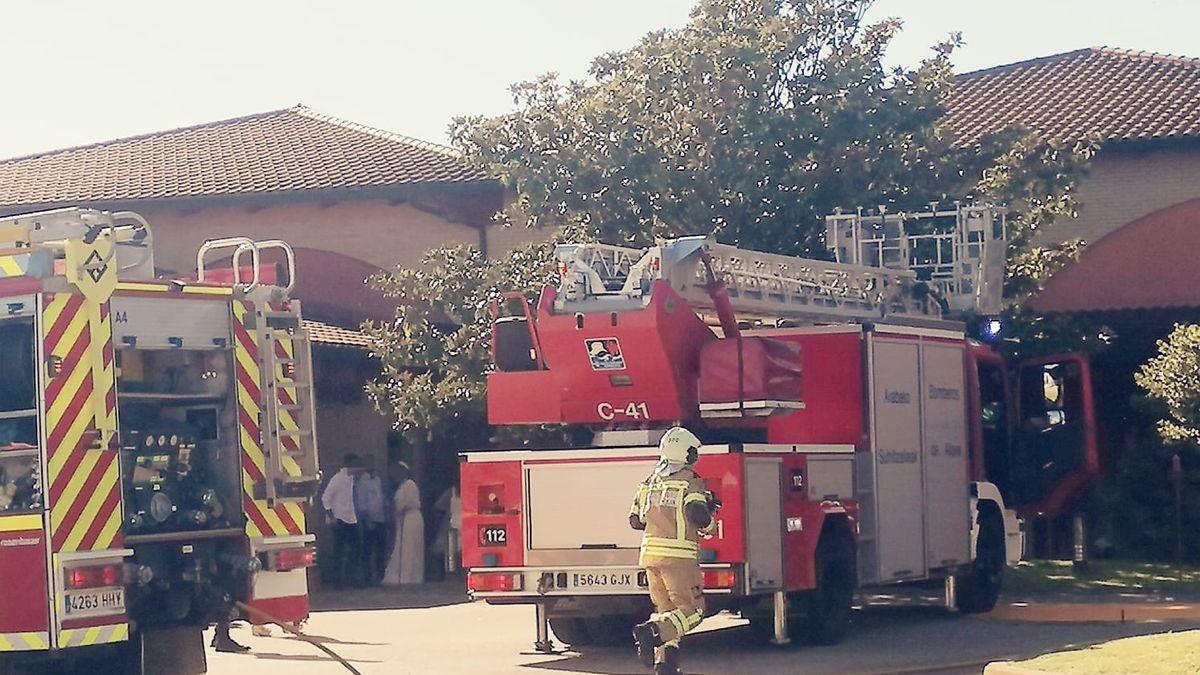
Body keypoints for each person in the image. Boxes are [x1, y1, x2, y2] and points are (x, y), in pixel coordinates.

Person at [629, 427, 720, 675]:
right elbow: (696, 514)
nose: (696, 456)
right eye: (693, 452)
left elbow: (635, 521)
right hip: (679, 556)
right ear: (686, 454)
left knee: (667, 611)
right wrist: (711, 517)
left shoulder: (649, 482)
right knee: (693, 611)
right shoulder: (691, 480)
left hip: (650, 556)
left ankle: (665, 665)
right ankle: (651, 633)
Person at [321, 453, 362, 588]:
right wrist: (331, 515)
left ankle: (351, 579)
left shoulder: (352, 479)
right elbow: (325, 497)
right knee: (338, 551)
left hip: (351, 518)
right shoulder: (338, 479)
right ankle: (337, 582)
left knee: (355, 550)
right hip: (339, 519)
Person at [382, 461, 425, 585]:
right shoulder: (401, 486)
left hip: (411, 518)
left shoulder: (410, 484)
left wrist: (398, 511)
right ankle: (401, 576)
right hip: (403, 519)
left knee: (409, 547)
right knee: (403, 546)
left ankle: (409, 577)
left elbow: (410, 502)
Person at [357, 455, 389, 585]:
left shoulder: (377, 479)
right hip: (369, 520)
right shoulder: (362, 481)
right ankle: (367, 578)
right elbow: (361, 502)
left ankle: (381, 576)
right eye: (368, 462)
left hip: (380, 518)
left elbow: (381, 496)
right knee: (368, 550)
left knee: (381, 549)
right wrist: (366, 519)